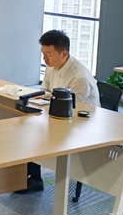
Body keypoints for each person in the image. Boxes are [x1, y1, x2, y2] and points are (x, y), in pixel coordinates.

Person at [18, 29, 101, 194]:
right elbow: (44, 92)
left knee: (33, 133)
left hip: (82, 124)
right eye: (43, 54)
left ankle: (34, 179)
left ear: (64, 54)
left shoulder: (79, 77)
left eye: (48, 54)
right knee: (25, 126)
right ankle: (30, 176)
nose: (44, 59)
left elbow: (73, 109)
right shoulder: (52, 66)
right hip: (57, 114)